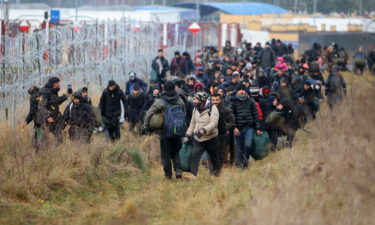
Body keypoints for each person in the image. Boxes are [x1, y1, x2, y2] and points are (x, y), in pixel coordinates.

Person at [143, 81, 186, 179]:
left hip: (165, 132)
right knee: (175, 152)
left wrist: (146, 126)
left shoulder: (160, 101)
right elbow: (184, 114)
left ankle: (168, 174)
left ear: (164, 88)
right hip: (177, 131)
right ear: (174, 88)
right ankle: (178, 170)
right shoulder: (180, 100)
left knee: (165, 154)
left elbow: (149, 114)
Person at [185, 92, 221, 178]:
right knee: (195, 156)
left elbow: (214, 123)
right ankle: (193, 175)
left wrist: (203, 130)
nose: (193, 101)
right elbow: (192, 123)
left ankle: (215, 175)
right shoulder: (195, 109)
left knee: (214, 158)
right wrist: (188, 135)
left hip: (211, 138)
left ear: (201, 100)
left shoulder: (213, 108)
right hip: (199, 139)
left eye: (195, 99)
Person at [229, 84, 262, 169]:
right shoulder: (233, 101)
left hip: (249, 128)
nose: (241, 91)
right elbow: (230, 116)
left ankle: (245, 160)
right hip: (238, 129)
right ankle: (240, 165)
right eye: (239, 90)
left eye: (243, 89)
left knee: (248, 145)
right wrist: (234, 127)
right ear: (237, 91)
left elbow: (255, 115)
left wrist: (258, 128)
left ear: (245, 91)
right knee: (239, 148)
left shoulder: (250, 101)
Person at [37, 77, 68, 144]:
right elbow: (41, 105)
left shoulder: (53, 92)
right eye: (58, 83)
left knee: (59, 140)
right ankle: (39, 151)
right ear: (55, 84)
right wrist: (47, 117)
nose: (59, 84)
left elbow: (55, 102)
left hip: (54, 119)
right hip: (45, 120)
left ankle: (57, 152)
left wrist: (65, 96)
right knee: (44, 140)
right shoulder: (45, 92)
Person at [211, 93, 235, 165]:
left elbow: (232, 122)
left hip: (222, 135)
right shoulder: (208, 110)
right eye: (213, 100)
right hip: (211, 135)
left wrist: (224, 127)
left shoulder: (226, 110)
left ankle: (219, 168)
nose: (215, 102)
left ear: (220, 100)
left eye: (217, 100)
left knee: (221, 153)